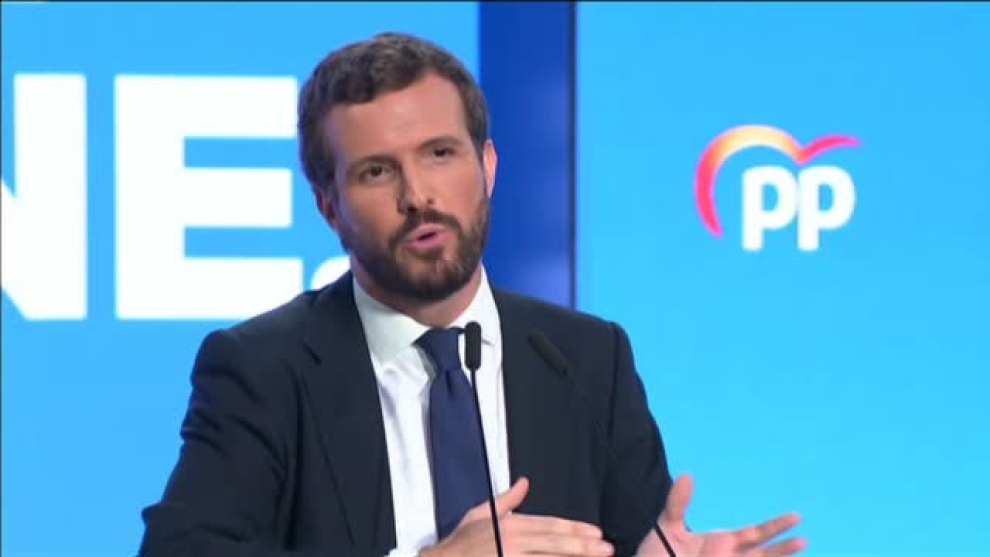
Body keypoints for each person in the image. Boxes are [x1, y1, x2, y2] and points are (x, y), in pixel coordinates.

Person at [138, 32, 807, 557]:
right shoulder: (264, 368)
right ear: (328, 206)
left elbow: (641, 540)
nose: (417, 196)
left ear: (487, 165)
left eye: (439, 154)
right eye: (377, 171)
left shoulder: (584, 357)